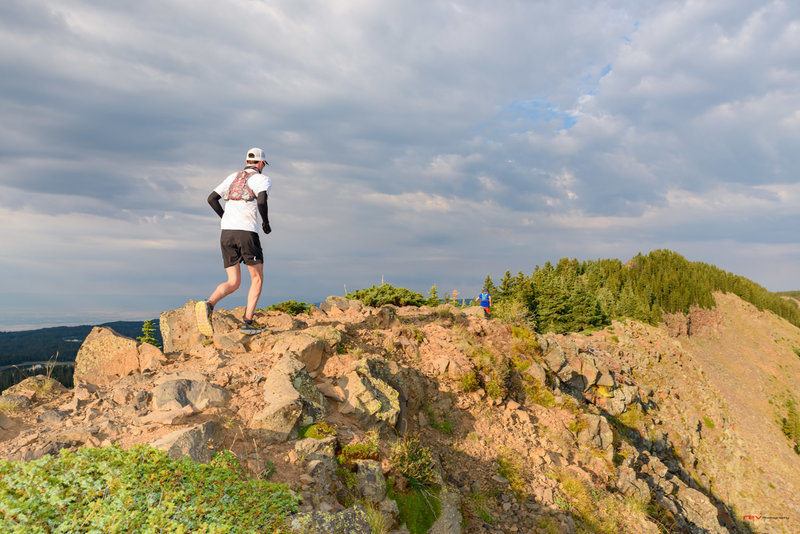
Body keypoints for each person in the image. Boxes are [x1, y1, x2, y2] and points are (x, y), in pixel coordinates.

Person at [196, 148, 272, 336]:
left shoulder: (232, 177)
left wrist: (225, 217)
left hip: (226, 233)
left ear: (247, 161)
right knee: (257, 278)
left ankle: (208, 305)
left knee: (233, 281)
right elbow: (261, 201)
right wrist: (266, 222)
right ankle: (247, 322)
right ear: (261, 164)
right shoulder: (262, 179)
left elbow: (212, 198)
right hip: (246, 232)